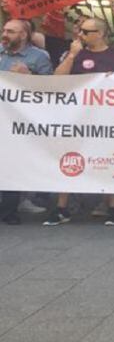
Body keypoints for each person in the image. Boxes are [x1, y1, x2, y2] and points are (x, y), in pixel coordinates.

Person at [45, 16, 114, 226]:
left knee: (112, 158)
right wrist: (72, 55)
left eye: (86, 31)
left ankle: (113, 208)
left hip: (107, 119)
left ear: (100, 34)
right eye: (80, 31)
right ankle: (61, 208)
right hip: (77, 118)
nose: (80, 35)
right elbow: (58, 79)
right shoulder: (75, 53)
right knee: (69, 158)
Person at [0, 18, 54, 224]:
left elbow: (50, 89)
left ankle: (8, 210)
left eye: (11, 31)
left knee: (10, 163)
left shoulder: (38, 57)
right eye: (5, 30)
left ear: (23, 35)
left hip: (18, 120)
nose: (5, 34)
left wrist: (28, 75)